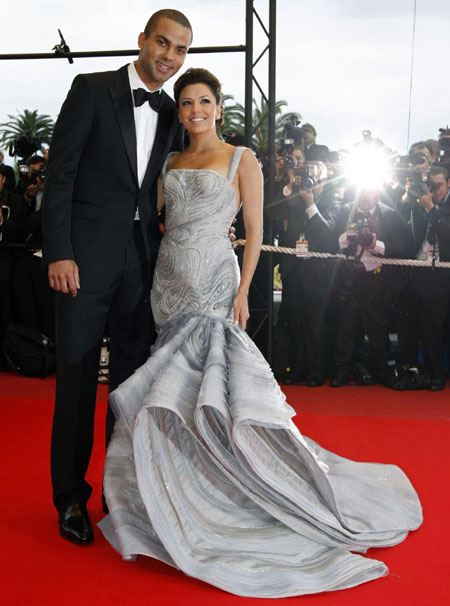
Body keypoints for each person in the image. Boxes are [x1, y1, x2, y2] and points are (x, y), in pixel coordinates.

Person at [99, 67, 422, 598]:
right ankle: (172, 486)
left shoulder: (241, 159)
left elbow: (254, 234)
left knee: (208, 388)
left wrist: (246, 290)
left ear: (218, 107)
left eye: (204, 101)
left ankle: (224, 486)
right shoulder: (171, 161)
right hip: (168, 284)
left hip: (214, 285)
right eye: (185, 104)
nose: (194, 111)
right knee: (173, 392)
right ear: (178, 112)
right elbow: (154, 218)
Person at [42, 9, 193, 545]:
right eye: (163, 43)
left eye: (180, 50)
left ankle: (118, 491)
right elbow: (59, 175)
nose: (170, 57)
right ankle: (69, 499)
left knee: (131, 384)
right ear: (142, 41)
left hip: (141, 263)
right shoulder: (91, 89)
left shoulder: (174, 113)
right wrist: (59, 250)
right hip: (81, 261)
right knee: (79, 380)